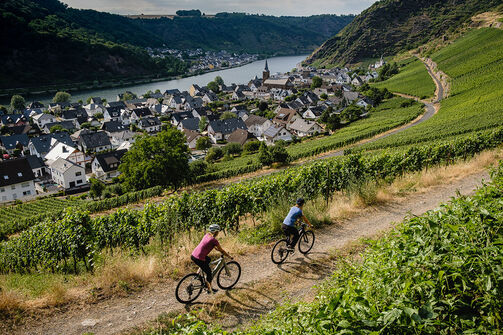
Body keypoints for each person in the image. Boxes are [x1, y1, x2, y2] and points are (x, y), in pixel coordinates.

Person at [191, 224, 232, 294]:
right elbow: (222, 250)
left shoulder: (207, 235)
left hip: (193, 255)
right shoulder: (214, 240)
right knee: (209, 274)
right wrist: (229, 256)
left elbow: (207, 244)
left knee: (208, 260)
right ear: (216, 232)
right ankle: (209, 290)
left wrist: (216, 248)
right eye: (218, 231)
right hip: (199, 258)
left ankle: (197, 275)